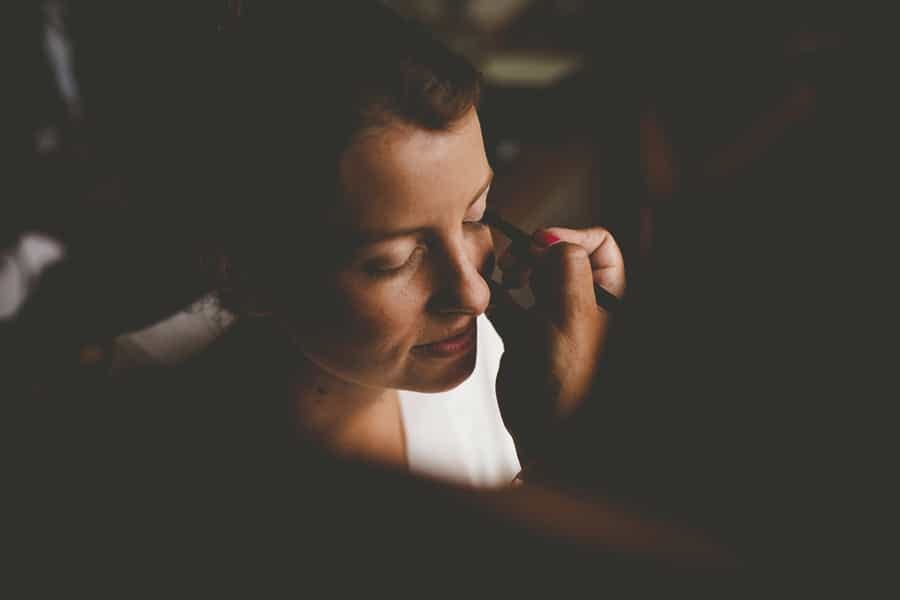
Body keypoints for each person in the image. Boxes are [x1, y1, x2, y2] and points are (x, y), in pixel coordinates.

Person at [140, 2, 627, 489]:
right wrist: (572, 449)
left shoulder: (503, 363)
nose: (476, 296)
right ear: (246, 276)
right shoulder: (168, 469)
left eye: (475, 215)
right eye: (394, 262)